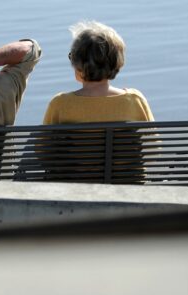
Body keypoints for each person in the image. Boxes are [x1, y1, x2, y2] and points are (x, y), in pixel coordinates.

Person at [40, 21, 153, 183]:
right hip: (126, 184)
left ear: (77, 65)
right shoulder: (135, 100)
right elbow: (152, 148)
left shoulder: (60, 104)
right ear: (117, 63)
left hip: (73, 187)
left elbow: (43, 152)